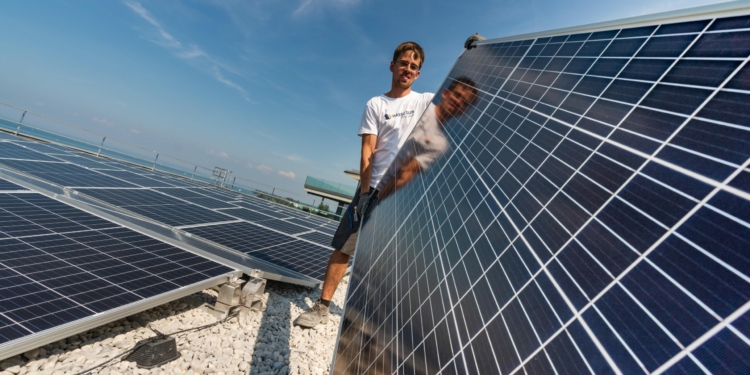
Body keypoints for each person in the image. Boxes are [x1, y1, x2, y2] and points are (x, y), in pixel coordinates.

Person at [295, 42, 434, 328]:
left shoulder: (424, 101)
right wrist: (365, 194)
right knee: (345, 247)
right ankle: (323, 306)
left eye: (414, 66)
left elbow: (460, 98)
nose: (408, 69)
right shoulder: (376, 104)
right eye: (404, 63)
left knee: (393, 259)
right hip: (372, 188)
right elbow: (367, 152)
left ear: (418, 74)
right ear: (392, 66)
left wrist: (471, 53)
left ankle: (379, 320)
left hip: (404, 192)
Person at [377, 76, 478, 200]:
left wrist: (375, 199)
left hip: (378, 187)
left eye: (465, 103)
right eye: (457, 95)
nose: (458, 102)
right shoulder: (419, 106)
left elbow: (406, 174)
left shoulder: (440, 144)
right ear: (445, 93)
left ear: (464, 111)